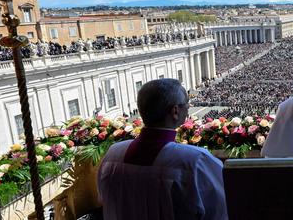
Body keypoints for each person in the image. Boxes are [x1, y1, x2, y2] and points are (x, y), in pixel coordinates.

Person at [98, 79, 228, 220]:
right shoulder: (195, 161)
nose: (188, 108)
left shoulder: (112, 155)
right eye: (186, 104)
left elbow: (103, 200)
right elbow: (222, 211)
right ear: (175, 111)